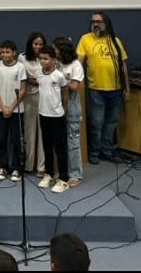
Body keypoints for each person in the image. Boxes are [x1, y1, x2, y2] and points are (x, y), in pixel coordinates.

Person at [76, 11, 130, 164]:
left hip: (116, 89)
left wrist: (126, 88)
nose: (95, 25)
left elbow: (123, 65)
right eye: (93, 22)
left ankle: (107, 150)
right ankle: (95, 151)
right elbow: (79, 62)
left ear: (106, 23)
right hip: (96, 89)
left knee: (112, 122)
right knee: (97, 122)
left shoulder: (115, 40)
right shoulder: (85, 39)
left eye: (99, 22)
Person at [36, 45, 70, 194]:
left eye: (46, 59)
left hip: (57, 116)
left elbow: (65, 94)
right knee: (47, 147)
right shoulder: (39, 74)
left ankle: (63, 178)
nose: (43, 61)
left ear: (54, 60)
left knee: (60, 148)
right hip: (43, 115)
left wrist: (63, 110)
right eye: (41, 59)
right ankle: (49, 174)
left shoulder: (59, 76)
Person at [0, 40, 27, 182]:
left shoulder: (20, 67)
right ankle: (2, 166)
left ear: (14, 53)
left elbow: (23, 90)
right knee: (0, 139)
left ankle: (17, 168)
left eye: (7, 52)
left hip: (16, 110)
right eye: (2, 52)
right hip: (1, 109)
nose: (4, 55)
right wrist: (2, 106)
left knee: (16, 140)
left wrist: (11, 107)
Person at [53, 37, 85, 187]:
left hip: (71, 105)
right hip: (56, 104)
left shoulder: (75, 65)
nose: (54, 52)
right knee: (60, 141)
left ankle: (75, 174)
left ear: (62, 50)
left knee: (72, 141)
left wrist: (59, 81)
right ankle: (62, 172)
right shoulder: (56, 63)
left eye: (56, 49)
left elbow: (74, 86)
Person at [19, 31, 47, 177]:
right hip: (28, 97)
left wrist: (37, 80)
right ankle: (28, 165)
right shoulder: (22, 58)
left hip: (43, 97)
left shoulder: (45, 58)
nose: (38, 47)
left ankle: (41, 167)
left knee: (42, 133)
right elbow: (22, 76)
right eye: (35, 44)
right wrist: (30, 79)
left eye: (41, 44)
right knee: (29, 132)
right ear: (31, 44)